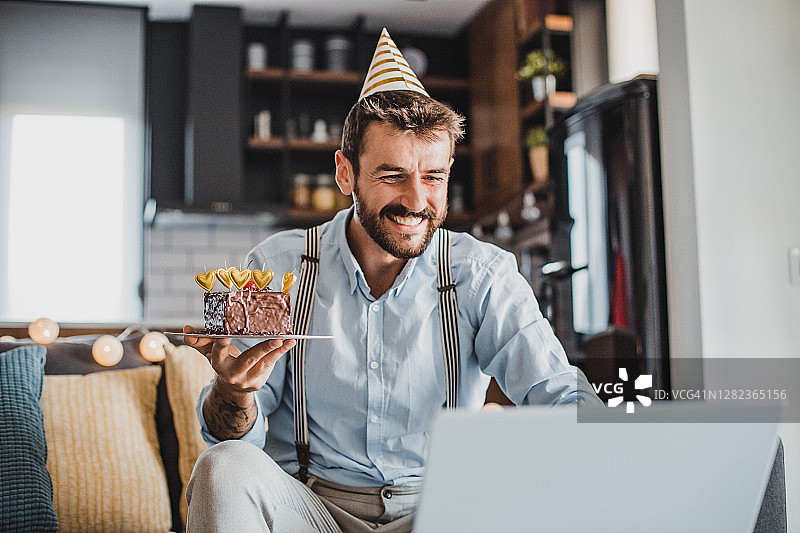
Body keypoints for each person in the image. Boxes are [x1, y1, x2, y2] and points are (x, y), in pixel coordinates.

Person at [183, 29, 602, 533]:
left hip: (439, 512)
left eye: (433, 176)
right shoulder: (277, 267)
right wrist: (234, 392)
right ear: (346, 174)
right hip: (312, 509)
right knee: (223, 467)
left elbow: (557, 394)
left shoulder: (482, 273)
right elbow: (232, 439)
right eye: (392, 175)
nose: (417, 199)